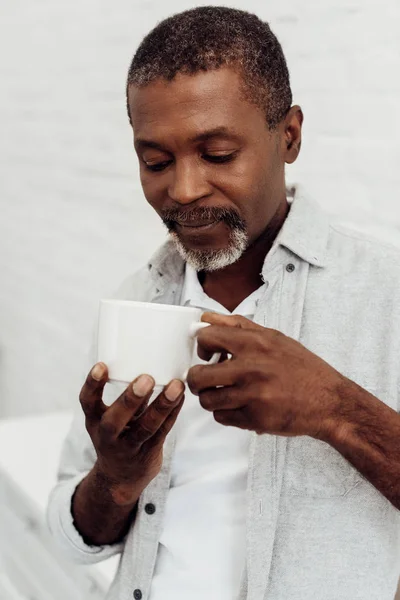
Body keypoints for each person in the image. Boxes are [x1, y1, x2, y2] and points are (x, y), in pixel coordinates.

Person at [47, 6, 400, 600]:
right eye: (155, 161)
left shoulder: (385, 293)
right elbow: (72, 535)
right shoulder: (138, 298)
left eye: (216, 155)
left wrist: (334, 409)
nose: (182, 190)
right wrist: (114, 480)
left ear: (287, 137)